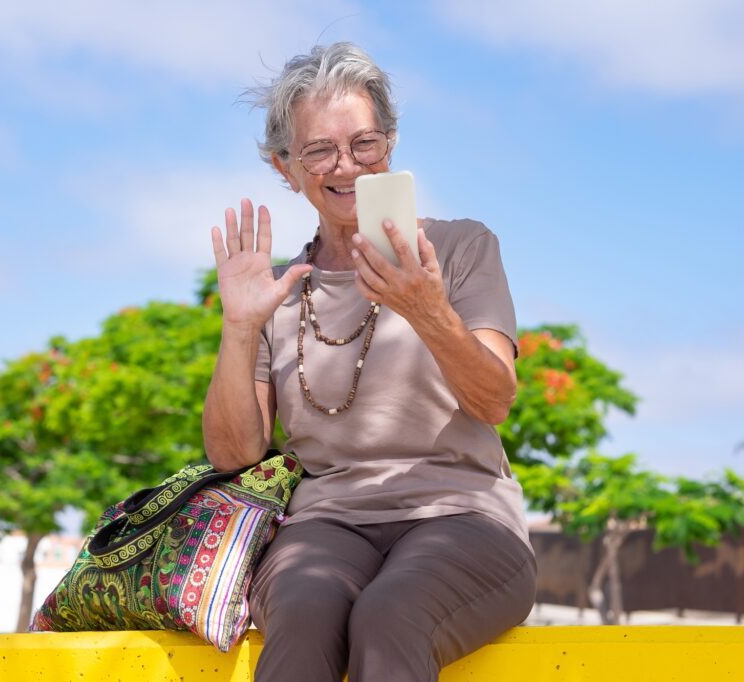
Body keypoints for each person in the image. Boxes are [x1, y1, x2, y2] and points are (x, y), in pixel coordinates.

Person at [201, 42, 536, 681]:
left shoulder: (461, 247)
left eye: (364, 144)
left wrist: (428, 308)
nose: (346, 166)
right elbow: (236, 454)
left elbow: (494, 400)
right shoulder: (276, 288)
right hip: (326, 524)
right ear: (284, 167)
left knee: (390, 617)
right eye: (319, 150)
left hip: (463, 515)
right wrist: (240, 326)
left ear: (391, 146)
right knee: (301, 620)